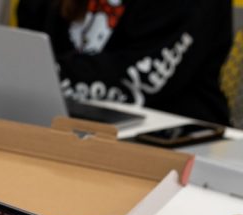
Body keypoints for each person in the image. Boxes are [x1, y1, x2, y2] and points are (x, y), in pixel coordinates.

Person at [16, 0, 233, 125]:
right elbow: (30, 47)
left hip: (172, 140)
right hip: (70, 125)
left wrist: (44, 77)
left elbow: (140, 79)